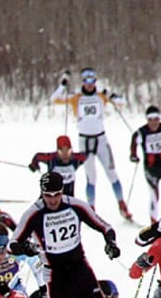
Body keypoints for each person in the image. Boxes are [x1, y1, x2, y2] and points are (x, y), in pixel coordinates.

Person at [49, 67, 132, 220]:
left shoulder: (101, 96)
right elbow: (54, 99)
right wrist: (63, 84)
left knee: (112, 173)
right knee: (91, 177)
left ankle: (122, 205)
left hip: (101, 140)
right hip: (84, 141)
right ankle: (91, 208)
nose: (89, 83)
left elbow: (122, 102)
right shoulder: (76, 97)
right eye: (86, 80)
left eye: (92, 80)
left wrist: (111, 95)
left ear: (95, 81)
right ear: (82, 81)